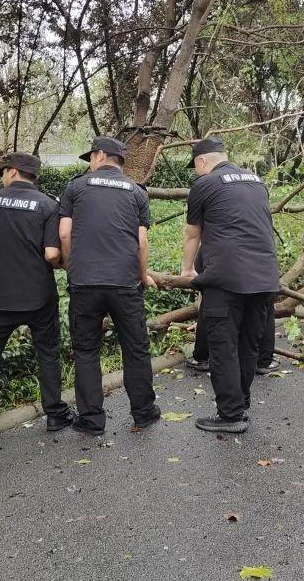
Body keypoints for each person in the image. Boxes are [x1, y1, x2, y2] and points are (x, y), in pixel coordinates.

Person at [0, 152, 73, 437]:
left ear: (11, 172)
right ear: (32, 176)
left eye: (3, 172)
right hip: (40, 296)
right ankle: (55, 415)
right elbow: (51, 253)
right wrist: (62, 264)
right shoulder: (49, 204)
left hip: (2, 297)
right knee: (47, 353)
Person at [58, 136, 161, 436]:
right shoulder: (136, 192)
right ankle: (144, 413)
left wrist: (69, 265)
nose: (90, 162)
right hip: (125, 284)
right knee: (136, 349)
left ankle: (91, 420)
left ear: (101, 155)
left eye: (90, 156)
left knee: (87, 351)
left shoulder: (76, 188)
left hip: (84, 283)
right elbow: (141, 241)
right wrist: (143, 276)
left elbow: (64, 234)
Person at [181, 137, 281, 433]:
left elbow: (192, 235)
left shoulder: (205, 183)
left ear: (202, 162)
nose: (197, 172)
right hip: (265, 277)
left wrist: (187, 270)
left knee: (223, 347)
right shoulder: (256, 181)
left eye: (196, 167)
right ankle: (241, 403)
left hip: (226, 279)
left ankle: (230, 415)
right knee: (247, 344)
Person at [186, 253, 278, 376]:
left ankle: (203, 357)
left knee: (210, 301)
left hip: (221, 255)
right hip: (260, 257)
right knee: (264, 302)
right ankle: (263, 361)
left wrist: (188, 268)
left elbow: (193, 236)